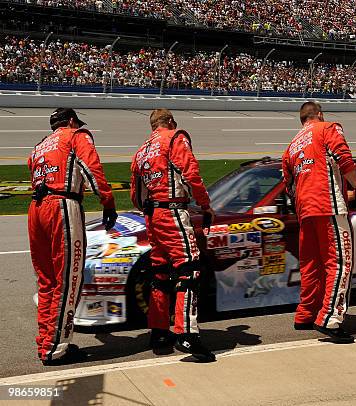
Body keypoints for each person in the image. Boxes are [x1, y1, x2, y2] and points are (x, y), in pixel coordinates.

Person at [28, 108, 117, 365]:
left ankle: (46, 341)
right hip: (62, 206)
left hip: (36, 209)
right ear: (70, 121)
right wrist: (107, 202)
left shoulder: (39, 146)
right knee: (68, 279)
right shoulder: (77, 135)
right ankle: (55, 349)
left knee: (47, 281)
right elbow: (92, 169)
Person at [131, 109, 216, 362]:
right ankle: (187, 333)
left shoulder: (141, 150)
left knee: (159, 273)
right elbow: (190, 172)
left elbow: (136, 195)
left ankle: (159, 333)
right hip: (172, 212)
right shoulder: (175, 138)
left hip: (152, 217)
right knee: (189, 269)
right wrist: (204, 204)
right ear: (169, 122)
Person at [282, 102, 356, 344]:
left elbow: (287, 183)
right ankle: (330, 318)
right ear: (319, 114)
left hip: (305, 211)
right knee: (340, 263)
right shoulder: (328, 128)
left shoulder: (291, 146)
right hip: (328, 206)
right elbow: (344, 157)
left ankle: (306, 314)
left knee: (311, 265)